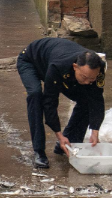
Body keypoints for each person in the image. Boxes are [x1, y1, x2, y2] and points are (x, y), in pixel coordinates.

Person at [17, 37, 106, 168]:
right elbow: (50, 102)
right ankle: (39, 151)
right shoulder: (58, 66)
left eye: (91, 79)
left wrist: (95, 130)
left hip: (55, 63)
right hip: (31, 61)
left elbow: (97, 98)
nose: (88, 82)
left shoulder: (99, 67)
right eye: (85, 77)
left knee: (87, 99)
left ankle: (69, 143)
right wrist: (58, 134)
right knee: (36, 95)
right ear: (75, 67)